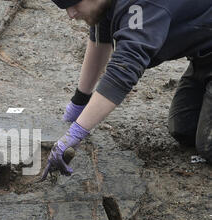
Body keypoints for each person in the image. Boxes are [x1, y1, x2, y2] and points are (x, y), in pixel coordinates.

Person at [42, 0, 212, 179]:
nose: (70, 14)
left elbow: (122, 73)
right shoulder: (105, 4)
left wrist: (78, 131)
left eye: (74, 3)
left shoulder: (142, 5)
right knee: (183, 128)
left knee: (208, 147)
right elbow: (100, 39)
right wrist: (79, 101)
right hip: (203, 58)